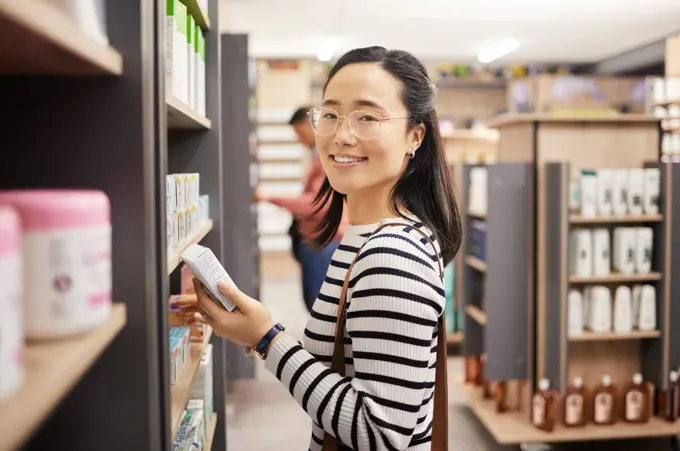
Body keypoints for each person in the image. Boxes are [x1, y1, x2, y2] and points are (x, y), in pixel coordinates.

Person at [190, 46, 462, 450]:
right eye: (331, 114)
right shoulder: (367, 236)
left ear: (415, 136)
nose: (341, 135)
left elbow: (382, 436)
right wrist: (261, 331)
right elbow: (350, 367)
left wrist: (269, 340)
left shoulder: (391, 255)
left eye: (367, 117)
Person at [256, 107, 347, 312]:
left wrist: (269, 198)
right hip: (321, 239)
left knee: (320, 307)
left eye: (299, 133)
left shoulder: (327, 159)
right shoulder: (320, 156)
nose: (298, 139)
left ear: (311, 125)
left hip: (323, 240)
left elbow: (317, 204)